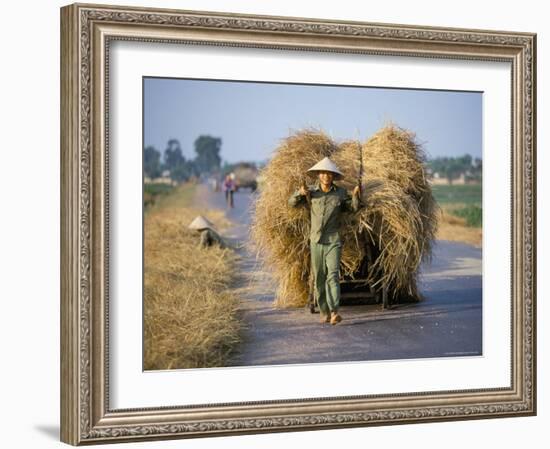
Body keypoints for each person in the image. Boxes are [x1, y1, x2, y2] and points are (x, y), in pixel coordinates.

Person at [288, 157, 362, 325]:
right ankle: (324, 311)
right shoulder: (311, 192)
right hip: (315, 241)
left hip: (333, 240)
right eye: (323, 173)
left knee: (333, 275)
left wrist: (357, 195)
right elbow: (291, 203)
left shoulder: (341, 193)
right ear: (318, 176)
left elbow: (353, 209)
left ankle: (335, 311)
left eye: (329, 173)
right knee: (320, 277)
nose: (326, 176)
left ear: (333, 176)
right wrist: (300, 194)